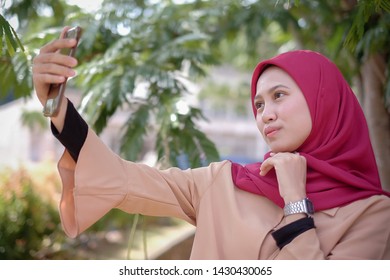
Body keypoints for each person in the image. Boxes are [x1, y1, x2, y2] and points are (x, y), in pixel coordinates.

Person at [32, 27, 390, 259]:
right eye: (259, 104)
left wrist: (297, 202)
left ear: (324, 100)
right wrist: (58, 109)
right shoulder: (224, 183)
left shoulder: (373, 215)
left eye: (279, 95)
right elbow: (125, 180)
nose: (265, 114)